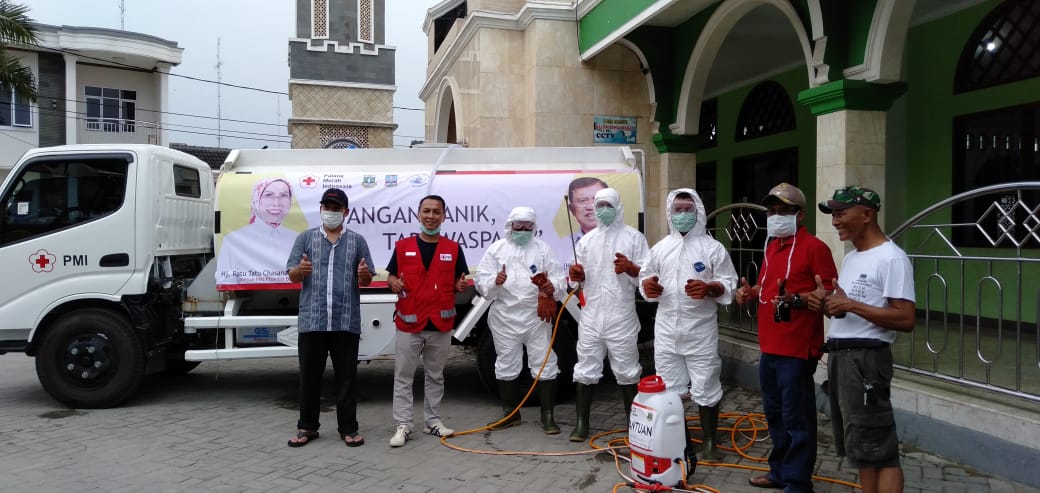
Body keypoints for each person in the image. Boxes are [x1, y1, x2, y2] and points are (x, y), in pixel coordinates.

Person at [809, 186, 916, 493]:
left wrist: (852, 305)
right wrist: (827, 305)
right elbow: (848, 311)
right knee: (862, 448)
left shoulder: (892, 258)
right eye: (833, 215)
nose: (835, 221)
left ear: (867, 214)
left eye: (841, 213)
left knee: (880, 449)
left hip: (867, 361)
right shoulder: (853, 258)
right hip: (842, 357)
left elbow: (905, 318)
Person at [734, 183, 837, 492]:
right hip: (770, 346)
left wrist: (797, 299)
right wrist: (749, 292)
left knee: (797, 418)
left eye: (783, 211)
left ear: (800, 215)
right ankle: (779, 471)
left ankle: (797, 481)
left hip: (797, 347)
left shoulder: (814, 248)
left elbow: (828, 294)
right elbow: (767, 287)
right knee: (775, 413)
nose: (776, 217)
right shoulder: (772, 246)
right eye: (771, 211)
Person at [639, 188, 737, 462]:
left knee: (706, 384)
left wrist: (711, 288)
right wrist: (648, 287)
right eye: (678, 210)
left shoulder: (712, 248)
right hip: (666, 330)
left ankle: (710, 442)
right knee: (670, 388)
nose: (682, 215)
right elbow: (646, 277)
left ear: (698, 212)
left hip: (700, 330)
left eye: (688, 209)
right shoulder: (661, 248)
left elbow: (729, 282)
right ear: (670, 213)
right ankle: (679, 440)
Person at [285, 187, 372, 448]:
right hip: (313, 321)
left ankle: (349, 428)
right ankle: (307, 427)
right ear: (320, 209)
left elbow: (366, 279)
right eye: (327, 207)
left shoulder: (357, 241)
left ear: (346, 212)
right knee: (309, 378)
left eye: (336, 208)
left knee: (347, 379)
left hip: (345, 321)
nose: (331, 212)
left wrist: (364, 275)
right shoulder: (305, 239)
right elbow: (291, 274)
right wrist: (300, 270)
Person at [385, 194, 469, 447]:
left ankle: (433, 421)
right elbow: (390, 277)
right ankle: (403, 424)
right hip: (409, 323)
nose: (431, 216)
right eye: (427, 211)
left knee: (436, 376)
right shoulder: (403, 247)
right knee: (403, 376)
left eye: (436, 212)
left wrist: (460, 285)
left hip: (440, 325)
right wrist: (393, 283)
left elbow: (459, 282)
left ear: (444, 216)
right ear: (418, 214)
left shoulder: (453, 248)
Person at [566, 187, 650, 442]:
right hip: (591, 316)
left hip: (621, 316)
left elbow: (649, 278)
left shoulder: (634, 238)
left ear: (618, 207)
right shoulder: (586, 241)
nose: (603, 211)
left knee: (627, 370)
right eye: (599, 205)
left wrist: (632, 268)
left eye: (608, 206)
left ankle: (633, 424)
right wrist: (576, 276)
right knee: (585, 368)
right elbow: (575, 282)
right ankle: (581, 423)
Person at [474, 206, 567, 434]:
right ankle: (510, 414)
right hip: (504, 318)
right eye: (519, 226)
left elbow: (558, 280)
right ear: (510, 225)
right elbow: (482, 284)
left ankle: (547, 416)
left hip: (536, 317)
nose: (523, 230)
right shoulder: (496, 250)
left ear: (534, 227)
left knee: (544, 362)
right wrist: (496, 281)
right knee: (506, 362)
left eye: (528, 226)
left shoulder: (542, 249)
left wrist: (551, 287)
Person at [217, 178, 299, 285]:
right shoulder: (233, 240)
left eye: (283, 195)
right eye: (269, 195)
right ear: (257, 199)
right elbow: (225, 278)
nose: (277, 203)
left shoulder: (298, 238)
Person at [566, 177, 608, 243]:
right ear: (572, 209)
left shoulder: (624, 239)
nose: (590, 206)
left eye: (597, 199)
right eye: (582, 201)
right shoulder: (561, 245)